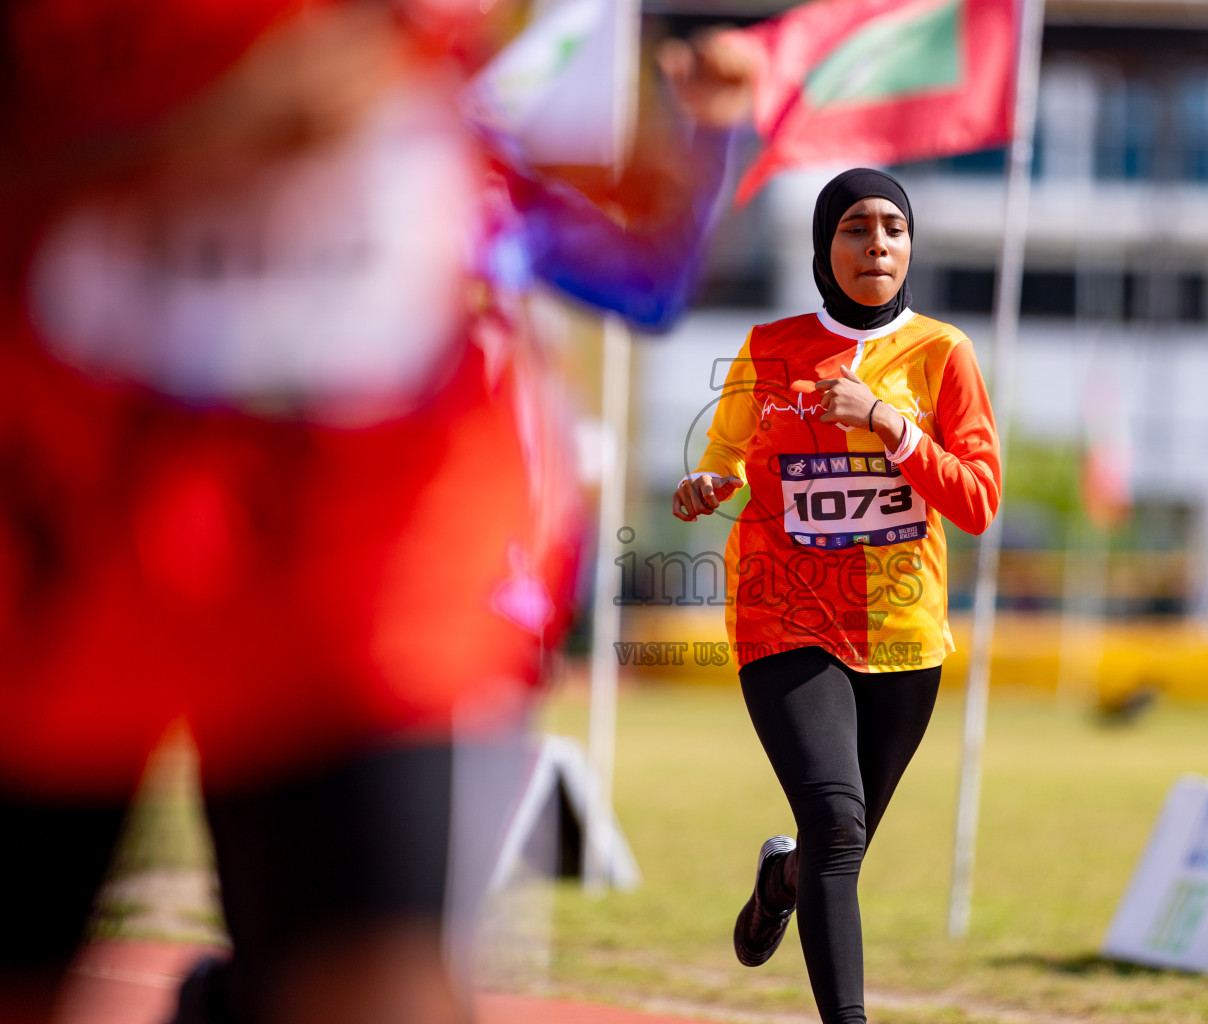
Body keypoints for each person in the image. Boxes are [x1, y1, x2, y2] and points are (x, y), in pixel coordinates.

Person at [0, 3, 750, 1022]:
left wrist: (711, 130)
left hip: (381, 546)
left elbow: (648, 275)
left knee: (369, 970)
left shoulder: (462, 168)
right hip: (66, 496)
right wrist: (195, 132)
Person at [672, 168, 1001, 1024]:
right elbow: (726, 454)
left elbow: (977, 501)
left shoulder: (943, 354)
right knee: (840, 829)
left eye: (893, 228)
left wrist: (889, 424)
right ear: (826, 246)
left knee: (831, 849)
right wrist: (709, 484)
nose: (877, 245)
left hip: (902, 635)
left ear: (911, 246)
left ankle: (780, 879)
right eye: (856, 228)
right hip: (783, 617)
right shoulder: (770, 345)